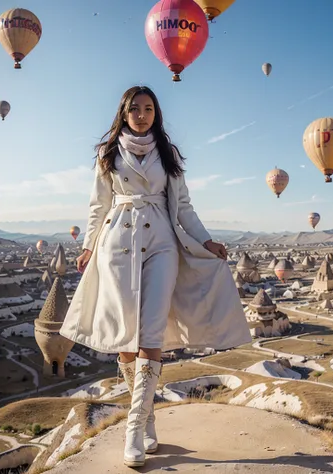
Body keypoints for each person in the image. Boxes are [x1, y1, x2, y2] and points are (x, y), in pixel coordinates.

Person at [60, 85, 251, 468]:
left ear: (156, 113)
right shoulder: (108, 154)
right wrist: (87, 245)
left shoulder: (169, 154)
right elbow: (98, 206)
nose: (142, 115)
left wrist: (207, 241)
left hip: (162, 244)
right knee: (126, 339)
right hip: (117, 244)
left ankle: (133, 432)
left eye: (149, 109)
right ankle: (148, 420)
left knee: (151, 335)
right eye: (136, 109)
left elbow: (183, 207)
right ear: (124, 113)